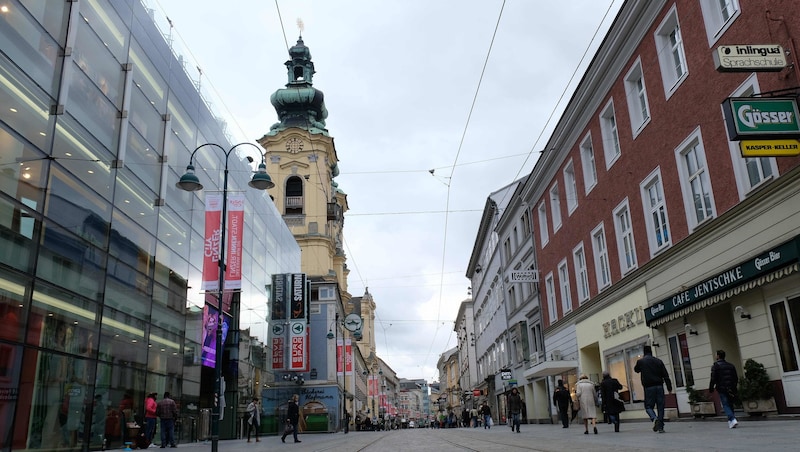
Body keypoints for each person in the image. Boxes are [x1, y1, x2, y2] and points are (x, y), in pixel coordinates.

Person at [634, 345, 673, 433]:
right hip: (659, 386)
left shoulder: (641, 362)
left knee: (648, 406)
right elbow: (665, 375)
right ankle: (661, 427)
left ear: (644, 352)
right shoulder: (658, 361)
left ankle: (654, 418)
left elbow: (636, 370)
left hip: (648, 387)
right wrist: (669, 387)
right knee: (660, 406)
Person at [709, 349, 739, 429]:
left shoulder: (716, 366)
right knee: (730, 404)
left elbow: (713, 378)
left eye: (716, 355)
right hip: (731, 388)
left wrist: (711, 387)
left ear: (718, 356)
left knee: (725, 404)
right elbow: (735, 378)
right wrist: (734, 386)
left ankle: (732, 419)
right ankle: (731, 422)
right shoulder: (731, 365)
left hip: (722, 388)